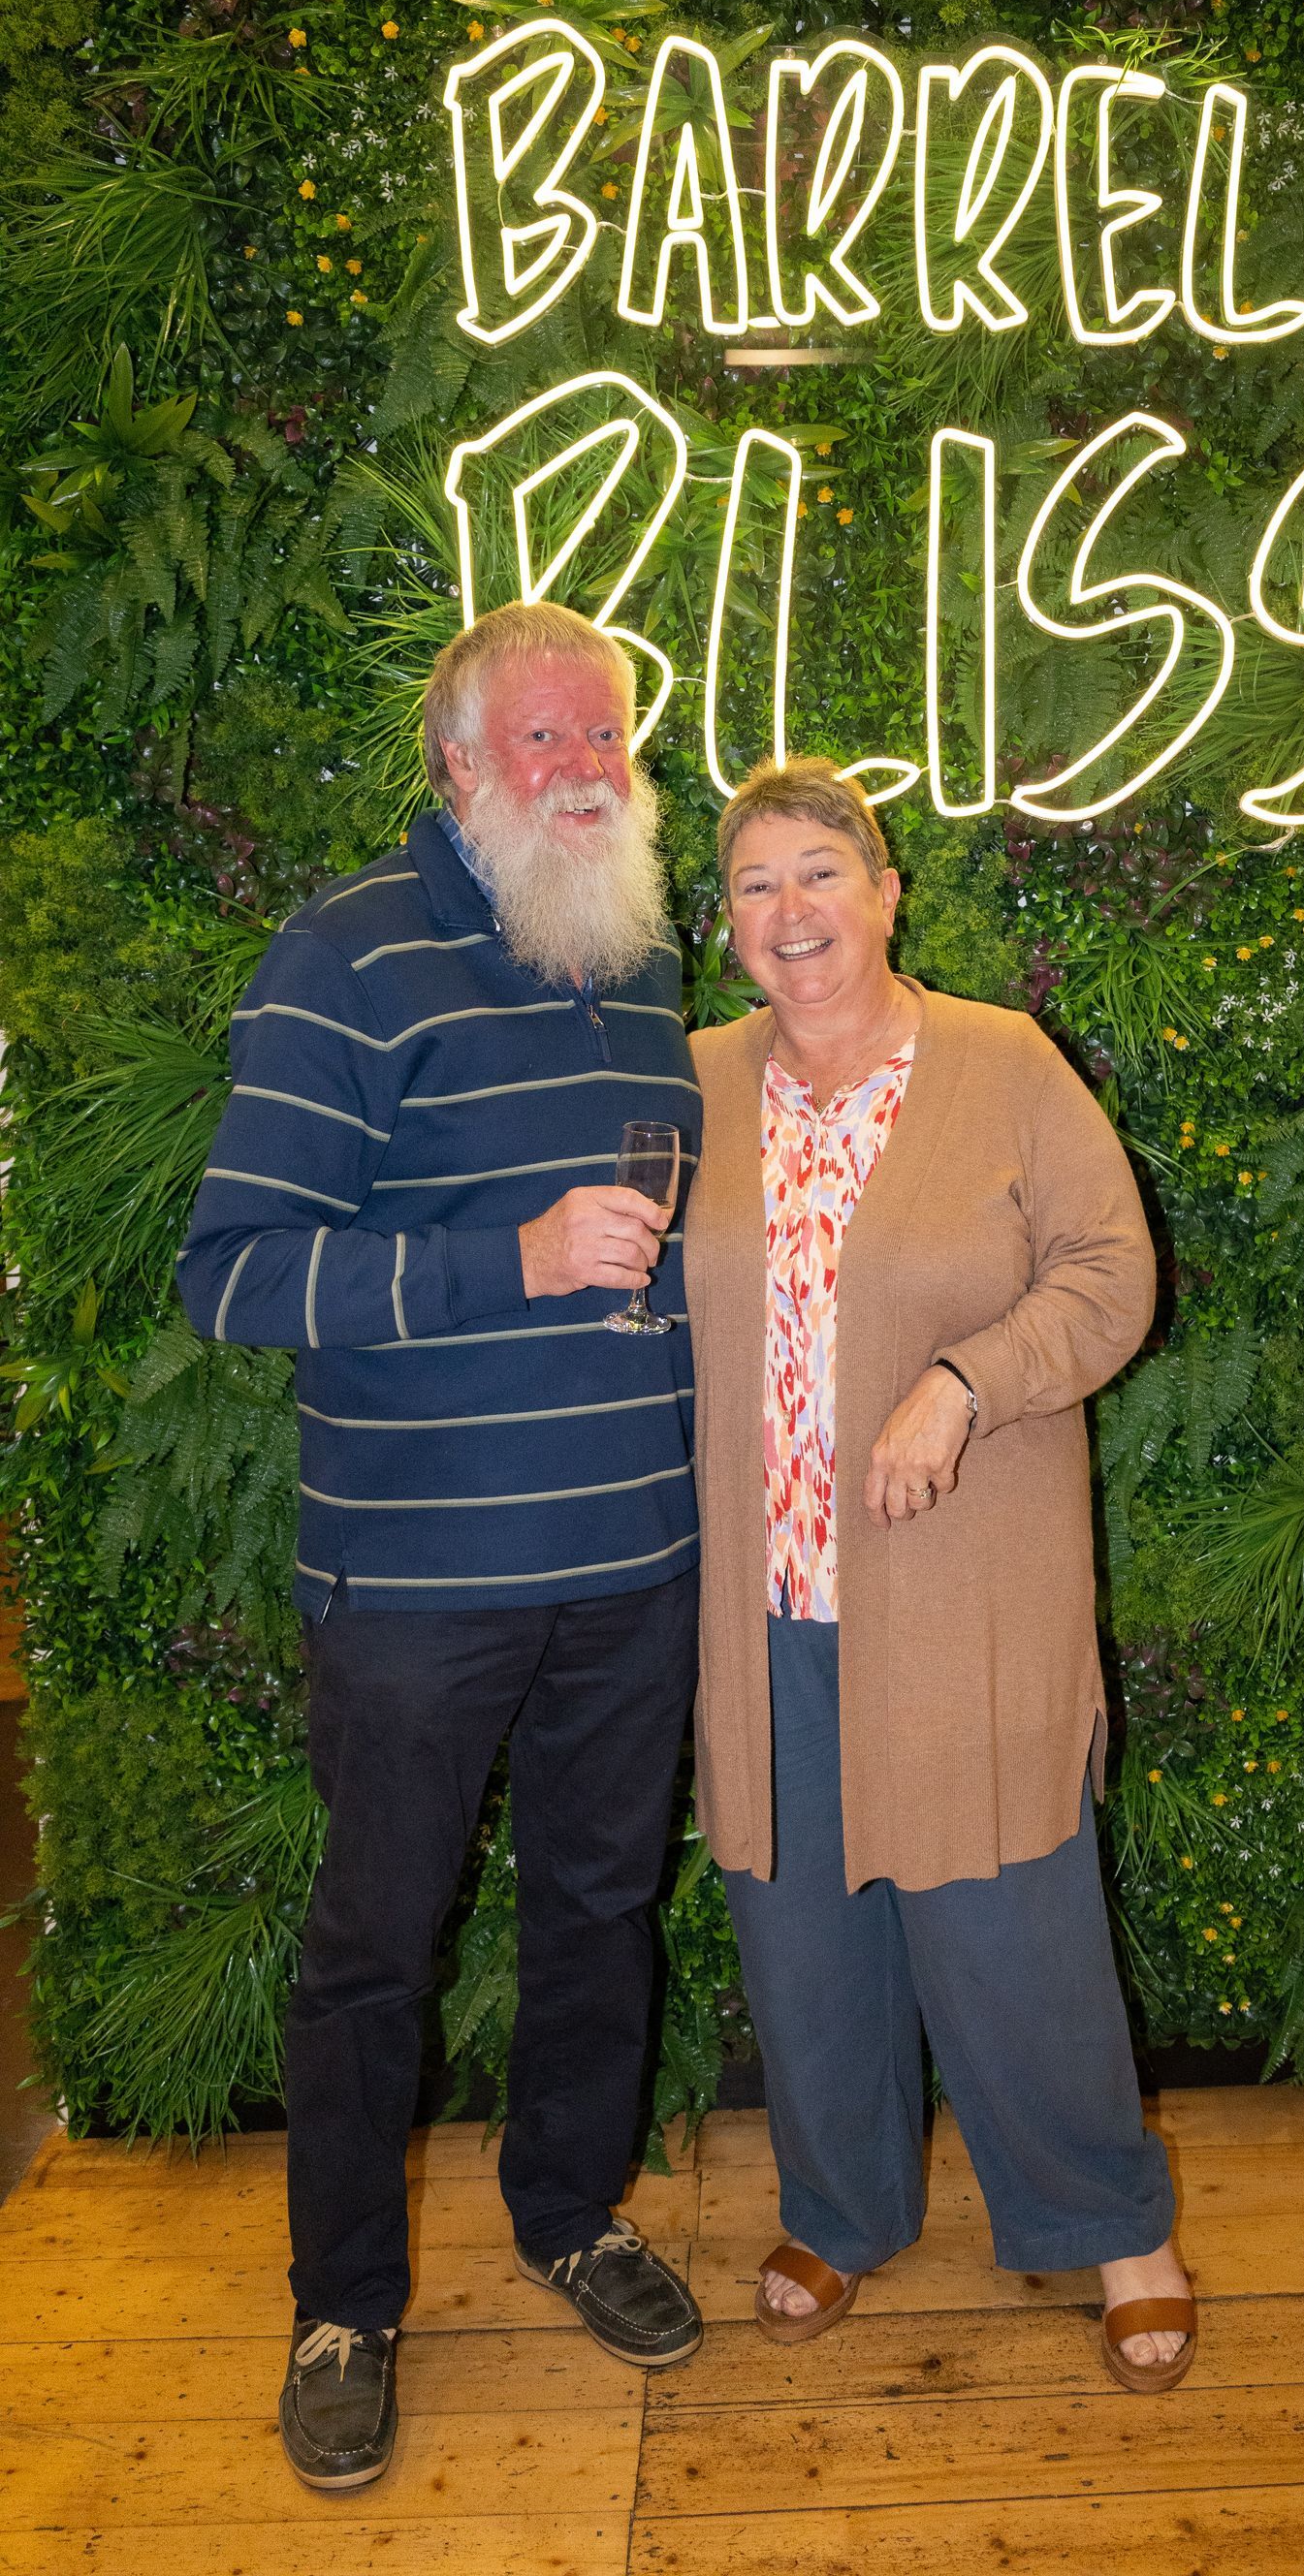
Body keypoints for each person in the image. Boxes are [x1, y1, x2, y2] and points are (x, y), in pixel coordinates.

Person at [178, 600, 706, 2496]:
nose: (587, 774)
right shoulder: (341, 963)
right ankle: (344, 2307)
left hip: (633, 1558)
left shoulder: (640, 954)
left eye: (609, 740)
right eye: (547, 742)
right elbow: (233, 1277)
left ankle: (571, 2210)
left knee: (596, 1912)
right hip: (409, 1590)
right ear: (458, 768)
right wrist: (510, 1259)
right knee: (372, 1956)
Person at [684, 758, 1196, 2393]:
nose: (793, 912)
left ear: (887, 889)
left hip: (960, 1591)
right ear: (728, 931)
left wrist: (967, 1381)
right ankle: (840, 2208)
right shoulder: (687, 1085)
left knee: (1008, 1919)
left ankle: (1116, 2223)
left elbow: (1115, 1274)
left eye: (821, 872)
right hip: (761, 1606)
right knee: (798, 1919)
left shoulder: (1001, 1063)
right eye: (757, 887)